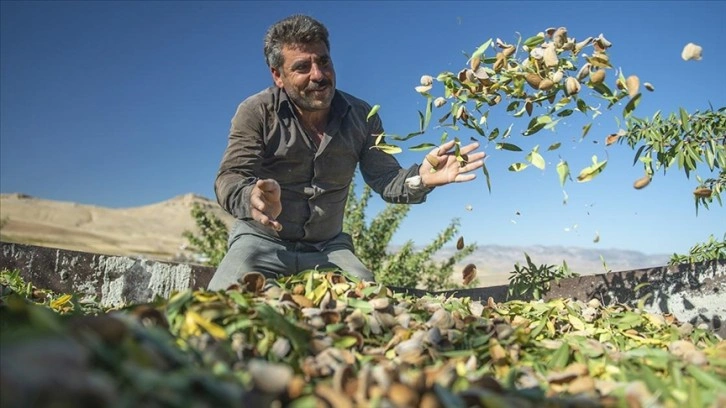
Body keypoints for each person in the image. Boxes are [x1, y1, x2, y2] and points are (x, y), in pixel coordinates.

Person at [207, 14, 485, 291]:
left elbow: (386, 178)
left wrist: (421, 179)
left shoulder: (362, 116)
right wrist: (251, 198)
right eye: (303, 67)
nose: (318, 75)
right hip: (262, 242)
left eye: (323, 62)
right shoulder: (256, 112)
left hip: (328, 248)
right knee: (220, 306)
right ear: (278, 75)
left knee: (372, 302)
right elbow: (230, 177)